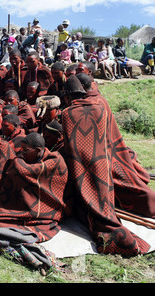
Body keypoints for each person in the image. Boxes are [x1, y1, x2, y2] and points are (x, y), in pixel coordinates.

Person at [61, 75, 151, 256]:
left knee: (85, 198)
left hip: (80, 166)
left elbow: (70, 145)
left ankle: (111, 236)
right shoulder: (99, 107)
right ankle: (109, 218)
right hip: (102, 163)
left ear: (67, 97)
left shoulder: (67, 114)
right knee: (103, 196)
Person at [0, 132, 71, 243]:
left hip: (48, 207)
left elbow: (24, 171)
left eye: (26, 150)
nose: (22, 153)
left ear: (38, 150)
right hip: (23, 202)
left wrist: (17, 162)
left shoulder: (55, 161)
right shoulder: (25, 158)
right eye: (21, 149)